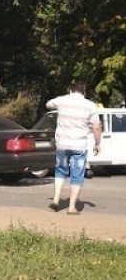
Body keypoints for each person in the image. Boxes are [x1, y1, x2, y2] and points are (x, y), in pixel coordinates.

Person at [45, 83, 102, 214]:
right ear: (84, 92)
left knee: (60, 171)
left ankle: (56, 199)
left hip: (62, 144)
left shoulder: (62, 100)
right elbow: (96, 127)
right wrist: (97, 143)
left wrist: (62, 102)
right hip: (79, 146)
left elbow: (48, 104)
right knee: (77, 176)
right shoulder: (90, 106)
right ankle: (71, 207)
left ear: (70, 90)